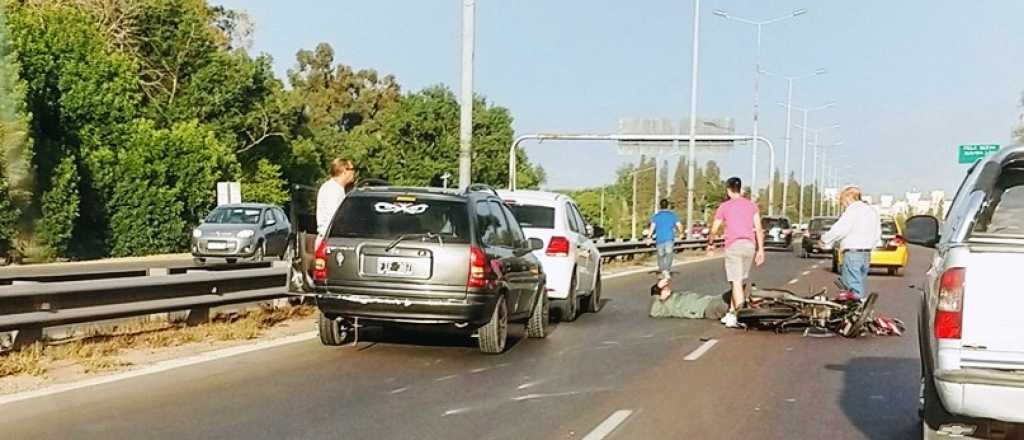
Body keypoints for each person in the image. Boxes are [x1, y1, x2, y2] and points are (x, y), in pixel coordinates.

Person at [706, 177, 765, 328]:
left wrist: (711, 243)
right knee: (740, 281)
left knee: (736, 281)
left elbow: (714, 228)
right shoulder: (752, 206)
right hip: (749, 246)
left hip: (734, 246)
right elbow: (758, 228)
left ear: (728, 190)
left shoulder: (724, 207)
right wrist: (760, 250)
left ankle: (740, 315)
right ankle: (731, 312)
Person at [820, 185, 881, 299]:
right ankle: (858, 310)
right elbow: (877, 234)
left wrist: (825, 239)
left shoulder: (853, 210)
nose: (842, 204)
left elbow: (840, 229)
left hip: (852, 253)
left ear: (849, 197)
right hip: (866, 254)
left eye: (842, 200)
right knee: (859, 284)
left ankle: (857, 312)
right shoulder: (872, 211)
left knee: (853, 290)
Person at [316, 158, 357, 238]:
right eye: (352, 169)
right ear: (344, 171)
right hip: (329, 239)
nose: (354, 172)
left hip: (330, 238)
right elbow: (334, 219)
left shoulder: (336, 188)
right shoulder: (333, 190)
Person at [648, 199, 685, 280]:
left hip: (659, 239)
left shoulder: (656, 216)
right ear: (668, 205)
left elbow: (652, 227)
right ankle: (666, 270)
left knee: (660, 256)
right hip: (669, 238)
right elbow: (679, 225)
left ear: (660, 206)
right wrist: (681, 233)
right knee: (669, 255)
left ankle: (662, 270)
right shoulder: (672, 215)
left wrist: (649, 237)